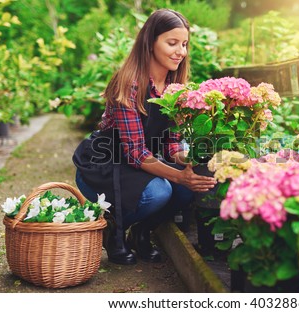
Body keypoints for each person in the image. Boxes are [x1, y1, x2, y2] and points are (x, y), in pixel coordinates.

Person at [72, 8, 216, 265]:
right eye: (172, 43)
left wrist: (192, 162)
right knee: (160, 191)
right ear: (150, 42)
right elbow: (135, 152)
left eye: (184, 44)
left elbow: (171, 144)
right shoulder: (128, 83)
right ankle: (112, 229)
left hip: (138, 163)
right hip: (104, 166)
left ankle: (141, 232)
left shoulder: (174, 87)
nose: (180, 52)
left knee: (187, 188)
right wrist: (179, 175)